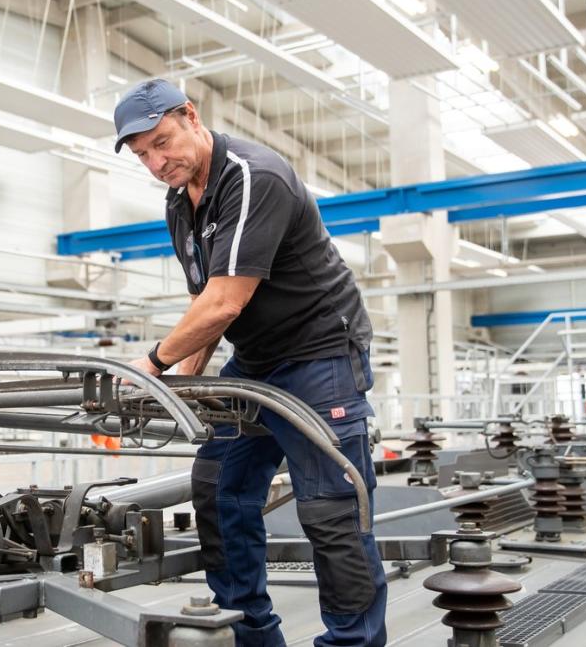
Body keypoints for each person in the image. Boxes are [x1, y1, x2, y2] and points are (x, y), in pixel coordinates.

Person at [114, 79, 386, 647]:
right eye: (143, 155)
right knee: (217, 487)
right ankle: (252, 635)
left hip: (319, 355)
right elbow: (206, 300)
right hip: (257, 360)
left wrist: (151, 365)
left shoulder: (254, 175)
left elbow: (225, 302)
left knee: (332, 509)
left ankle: (353, 643)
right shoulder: (180, 200)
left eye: (162, 143)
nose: (156, 162)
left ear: (191, 116)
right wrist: (185, 384)